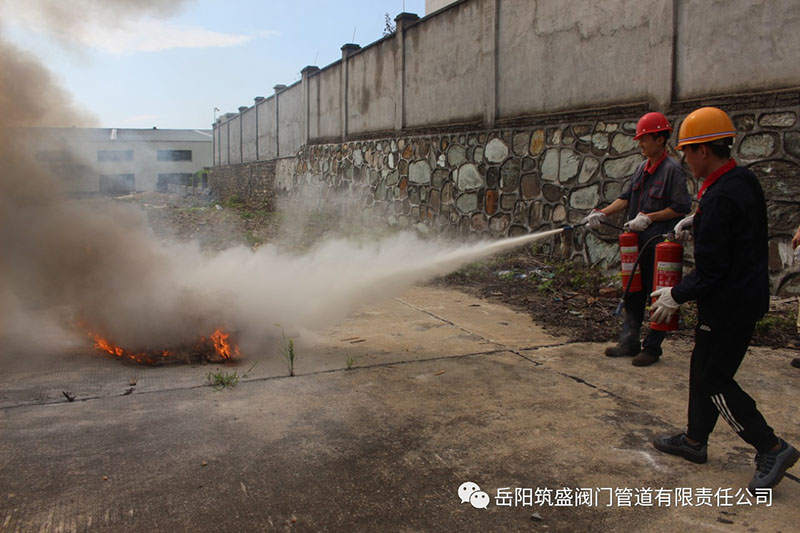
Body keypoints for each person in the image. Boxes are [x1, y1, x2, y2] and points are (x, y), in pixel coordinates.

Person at [650, 106, 799, 491]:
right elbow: (733, 235)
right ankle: (695, 440)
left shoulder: (719, 197)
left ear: (703, 150)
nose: (685, 159)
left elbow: (712, 271)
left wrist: (676, 294)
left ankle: (770, 446)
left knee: (714, 378)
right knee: (702, 366)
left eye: (688, 151)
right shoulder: (741, 180)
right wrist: (696, 221)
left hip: (728, 304)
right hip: (744, 295)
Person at [583, 112, 691, 366]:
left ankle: (652, 348)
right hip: (636, 244)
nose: (640, 144)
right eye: (639, 139)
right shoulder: (641, 168)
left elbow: (681, 207)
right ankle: (629, 341)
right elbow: (626, 198)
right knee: (633, 292)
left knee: (658, 295)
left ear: (660, 139)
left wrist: (650, 218)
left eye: (645, 138)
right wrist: (601, 212)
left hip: (659, 245)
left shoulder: (672, 170)